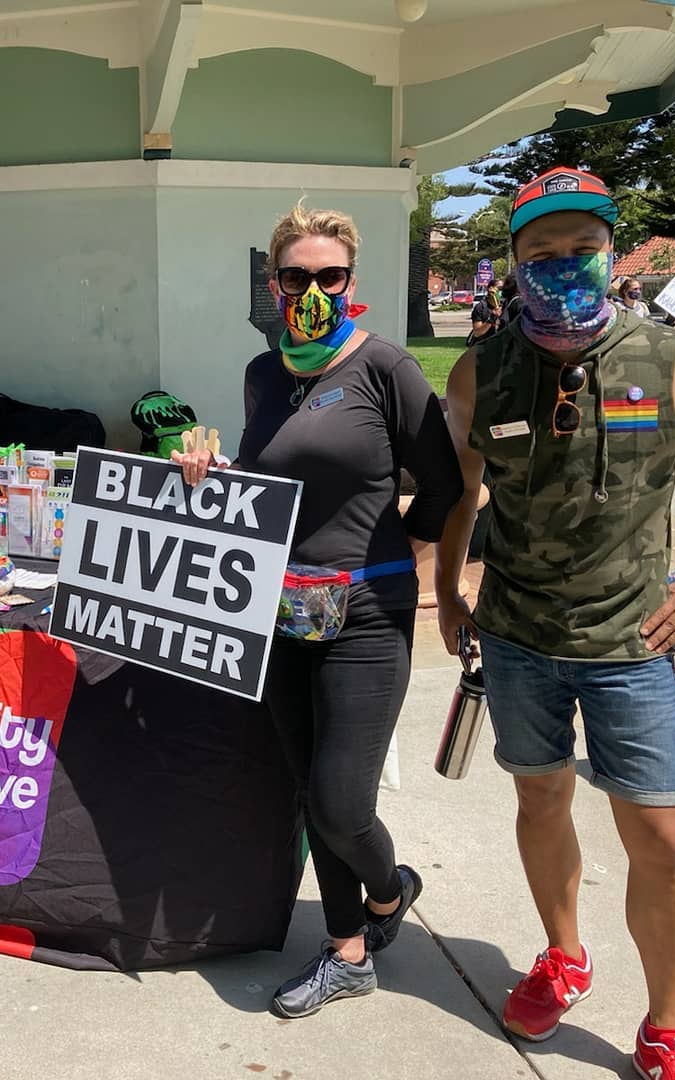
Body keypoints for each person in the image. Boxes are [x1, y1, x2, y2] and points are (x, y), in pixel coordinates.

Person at [434, 167, 675, 1080]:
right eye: (541, 254)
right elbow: (462, 488)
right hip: (517, 637)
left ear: (612, 251)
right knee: (540, 799)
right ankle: (564, 955)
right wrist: (448, 579)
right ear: (512, 265)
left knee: (661, 838)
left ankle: (666, 1023)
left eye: (582, 250)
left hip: (637, 643)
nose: (564, 268)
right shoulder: (485, 367)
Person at [173, 204, 463, 1019]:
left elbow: (443, 485)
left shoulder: (386, 368)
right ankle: (347, 954)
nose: (311, 289)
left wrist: (398, 557)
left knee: (342, 801)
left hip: (366, 611)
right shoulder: (264, 374)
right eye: (295, 276)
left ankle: (384, 895)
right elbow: (272, 481)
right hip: (280, 609)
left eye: (327, 276)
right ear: (274, 284)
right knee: (308, 790)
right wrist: (207, 467)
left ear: (350, 283)